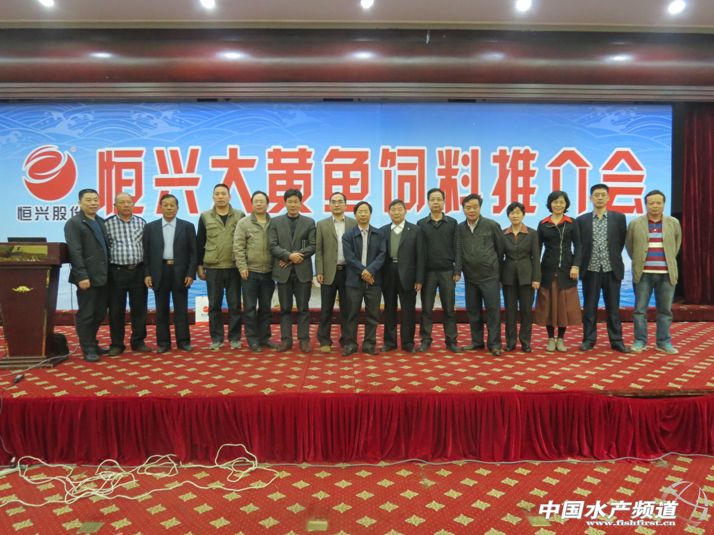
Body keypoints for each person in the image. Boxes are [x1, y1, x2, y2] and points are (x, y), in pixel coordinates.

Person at [626, 189, 682, 354]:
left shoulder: (673, 223)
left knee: (665, 311)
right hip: (643, 274)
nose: (655, 206)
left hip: (666, 274)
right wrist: (639, 261)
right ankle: (640, 341)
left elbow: (676, 245)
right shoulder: (635, 223)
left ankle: (663, 342)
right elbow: (630, 247)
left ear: (664, 204)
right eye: (651, 203)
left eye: (658, 202)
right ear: (646, 204)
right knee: (639, 310)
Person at [576, 184, 629, 353]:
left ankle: (616, 340)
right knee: (589, 308)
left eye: (603, 195)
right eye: (596, 195)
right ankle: (589, 339)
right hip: (590, 270)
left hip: (611, 269)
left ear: (608, 197)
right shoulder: (581, 220)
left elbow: (620, 242)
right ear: (590, 198)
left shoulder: (619, 218)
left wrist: (611, 257)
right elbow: (580, 246)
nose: (599, 197)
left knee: (613, 308)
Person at [143, 194, 197, 353]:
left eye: (172, 205)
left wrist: (191, 274)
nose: (169, 208)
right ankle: (163, 343)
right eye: (165, 205)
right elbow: (146, 253)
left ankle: (183, 341)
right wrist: (147, 274)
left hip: (181, 272)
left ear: (177, 207)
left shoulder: (187, 226)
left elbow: (193, 253)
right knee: (161, 309)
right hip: (159, 271)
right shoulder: (150, 227)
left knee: (181, 309)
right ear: (160, 207)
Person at [197, 184, 245, 351]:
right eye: (217, 194)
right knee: (214, 305)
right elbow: (200, 241)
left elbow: (245, 241)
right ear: (213, 197)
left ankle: (235, 338)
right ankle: (216, 338)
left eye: (223, 193)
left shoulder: (239, 215)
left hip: (234, 267)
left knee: (235, 305)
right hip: (213, 267)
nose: (220, 197)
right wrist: (199, 266)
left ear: (229, 196)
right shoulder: (205, 216)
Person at [64, 188, 109, 362]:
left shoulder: (101, 221)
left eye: (95, 200)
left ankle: (92, 342)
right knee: (87, 313)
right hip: (86, 277)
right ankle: (87, 348)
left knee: (99, 312)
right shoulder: (74, 223)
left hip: (103, 276)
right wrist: (81, 276)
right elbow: (75, 252)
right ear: (80, 203)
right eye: (88, 200)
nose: (93, 203)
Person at [269, 189, 316, 353]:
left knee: (303, 308)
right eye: (290, 202)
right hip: (283, 274)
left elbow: (313, 246)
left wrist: (293, 257)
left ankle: (304, 340)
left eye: (296, 201)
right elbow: (272, 246)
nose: (293, 205)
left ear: (301, 203)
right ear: (285, 203)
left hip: (303, 272)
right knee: (285, 309)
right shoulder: (275, 222)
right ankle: (286, 340)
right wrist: (289, 256)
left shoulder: (309, 222)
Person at [534, 190, 582, 352]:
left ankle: (560, 339)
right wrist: (536, 273)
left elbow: (579, 246)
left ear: (566, 204)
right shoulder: (543, 224)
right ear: (550, 204)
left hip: (567, 270)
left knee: (563, 307)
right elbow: (537, 249)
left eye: (561, 202)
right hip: (547, 270)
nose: (558, 205)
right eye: (555, 202)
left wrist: (576, 265)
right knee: (548, 307)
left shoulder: (572, 222)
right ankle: (550, 338)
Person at [104, 192, 151, 356]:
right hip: (116, 272)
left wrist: (147, 272)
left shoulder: (141, 222)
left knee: (139, 309)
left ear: (133, 204)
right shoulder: (107, 224)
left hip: (138, 271)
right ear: (115, 205)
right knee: (116, 310)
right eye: (121, 202)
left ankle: (138, 341)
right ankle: (117, 344)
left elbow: (147, 248)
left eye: (128, 202)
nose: (125, 205)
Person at [457, 193, 504, 356]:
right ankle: (477, 341)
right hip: (470, 277)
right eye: (468, 207)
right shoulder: (460, 228)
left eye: (475, 207)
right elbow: (459, 251)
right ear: (463, 209)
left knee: (493, 311)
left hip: (490, 277)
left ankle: (495, 344)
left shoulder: (492, 225)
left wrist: (496, 270)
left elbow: (500, 250)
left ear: (480, 208)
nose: (471, 210)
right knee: (473, 311)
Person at [418, 188, 461, 353]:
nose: (435, 202)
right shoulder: (421, 224)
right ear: (428, 202)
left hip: (447, 272)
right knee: (427, 309)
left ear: (444, 202)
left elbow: (457, 247)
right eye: (432, 199)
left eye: (438, 199)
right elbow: (419, 252)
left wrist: (457, 270)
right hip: (428, 273)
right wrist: (419, 277)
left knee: (449, 309)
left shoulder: (452, 223)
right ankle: (425, 340)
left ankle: (451, 341)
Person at [233, 191, 277, 353]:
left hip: (269, 273)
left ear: (267, 204)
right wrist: (242, 267)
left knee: (266, 308)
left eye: (262, 201)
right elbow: (238, 247)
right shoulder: (244, 223)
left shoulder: (274, 223)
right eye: (256, 201)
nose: (259, 204)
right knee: (250, 308)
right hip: (250, 272)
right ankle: (252, 339)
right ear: (251, 204)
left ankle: (264, 338)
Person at [342, 201, 387, 356]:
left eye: (365, 211)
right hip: (353, 281)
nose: (363, 214)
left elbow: (382, 255)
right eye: (359, 212)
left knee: (373, 314)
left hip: (374, 281)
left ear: (370, 214)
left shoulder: (379, 234)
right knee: (351, 314)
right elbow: (349, 258)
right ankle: (350, 344)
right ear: (355, 215)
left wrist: (370, 271)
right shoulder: (348, 235)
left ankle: (369, 344)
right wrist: (364, 272)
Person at [379, 199, 424, 353]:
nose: (396, 212)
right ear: (388, 212)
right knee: (389, 309)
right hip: (388, 272)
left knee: (408, 310)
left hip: (408, 275)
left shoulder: (415, 230)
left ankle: (408, 342)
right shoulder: (383, 231)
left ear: (405, 211)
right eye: (393, 210)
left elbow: (421, 256)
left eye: (399, 209)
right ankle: (389, 342)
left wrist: (419, 279)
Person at [315, 191, 357, 353]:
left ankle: (346, 340)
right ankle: (324, 340)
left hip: (349, 272)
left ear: (345, 205)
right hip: (328, 272)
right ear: (329, 205)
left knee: (347, 309)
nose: (337, 204)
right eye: (334, 201)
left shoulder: (353, 223)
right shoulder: (321, 224)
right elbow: (319, 250)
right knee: (326, 308)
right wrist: (319, 270)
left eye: (340, 201)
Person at [501, 201, 540, 353]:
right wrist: (499, 278)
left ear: (523, 215)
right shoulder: (503, 233)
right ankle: (510, 342)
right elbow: (499, 258)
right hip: (508, 277)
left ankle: (525, 342)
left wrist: (536, 278)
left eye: (518, 212)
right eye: (512, 213)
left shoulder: (532, 233)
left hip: (527, 277)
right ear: (508, 216)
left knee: (526, 311)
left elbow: (536, 257)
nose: (515, 215)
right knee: (510, 312)